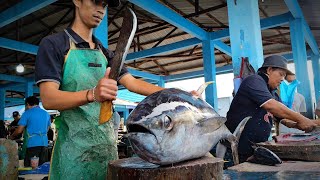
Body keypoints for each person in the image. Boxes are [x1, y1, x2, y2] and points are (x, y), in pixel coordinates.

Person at [34, 0, 168, 179]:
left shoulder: (106, 54)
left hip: (106, 149)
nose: (101, 10)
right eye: (95, 1)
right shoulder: (54, 44)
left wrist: (175, 93)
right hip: (72, 154)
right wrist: (92, 94)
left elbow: (133, 83)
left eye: (104, 4)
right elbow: (49, 98)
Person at [225, 55, 317, 165]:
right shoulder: (254, 80)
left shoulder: (272, 93)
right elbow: (271, 106)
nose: (283, 79)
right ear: (269, 70)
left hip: (254, 149)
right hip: (234, 148)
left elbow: (283, 118)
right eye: (281, 74)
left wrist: (299, 124)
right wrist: (302, 119)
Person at [9, 96, 51, 167]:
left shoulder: (27, 113)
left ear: (28, 104)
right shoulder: (46, 113)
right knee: (42, 167)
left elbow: (19, 130)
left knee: (31, 168)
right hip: (44, 143)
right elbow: (48, 128)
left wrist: (11, 137)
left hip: (33, 144)